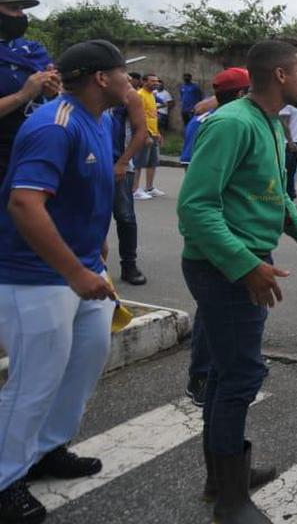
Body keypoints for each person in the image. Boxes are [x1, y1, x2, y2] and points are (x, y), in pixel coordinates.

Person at [178, 40, 297, 522]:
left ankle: (222, 478)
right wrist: (246, 266)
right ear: (281, 75)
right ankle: (230, 498)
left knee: (229, 373)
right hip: (224, 266)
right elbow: (195, 207)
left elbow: (273, 192)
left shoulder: (267, 121)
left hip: (243, 259)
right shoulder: (231, 123)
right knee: (241, 374)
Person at [0, 40, 129, 524]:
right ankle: (5, 478)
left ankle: (48, 449)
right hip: (36, 277)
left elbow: (81, 193)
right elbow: (24, 204)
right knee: (32, 382)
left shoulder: (101, 119)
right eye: (122, 74)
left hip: (81, 269)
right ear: (100, 78)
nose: (129, 82)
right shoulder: (53, 126)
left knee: (82, 363)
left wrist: (94, 252)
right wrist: (74, 272)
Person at [180, 67, 252, 407]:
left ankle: (210, 374)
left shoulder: (224, 119)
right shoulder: (226, 124)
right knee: (213, 312)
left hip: (232, 234)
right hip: (220, 236)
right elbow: (198, 200)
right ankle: (203, 376)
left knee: (215, 313)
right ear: (241, 94)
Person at [0, 0, 60, 185]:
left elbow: (50, 96)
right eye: (13, 9)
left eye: (22, 10)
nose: (21, 15)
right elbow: (26, 94)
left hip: (30, 146)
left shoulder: (31, 49)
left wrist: (52, 93)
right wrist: (22, 95)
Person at [110, 74, 150, 286]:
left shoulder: (128, 94)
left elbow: (141, 131)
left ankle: (129, 265)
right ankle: (93, 266)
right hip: (90, 162)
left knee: (125, 216)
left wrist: (123, 162)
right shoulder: (85, 91)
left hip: (118, 163)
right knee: (90, 216)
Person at [132, 71, 164, 200]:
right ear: (144, 82)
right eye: (152, 81)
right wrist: (145, 135)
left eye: (156, 81)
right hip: (145, 134)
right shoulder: (140, 95)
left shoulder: (152, 95)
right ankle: (134, 189)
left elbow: (152, 116)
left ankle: (149, 188)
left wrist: (158, 132)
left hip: (154, 133)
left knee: (153, 162)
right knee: (139, 162)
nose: (155, 83)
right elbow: (138, 117)